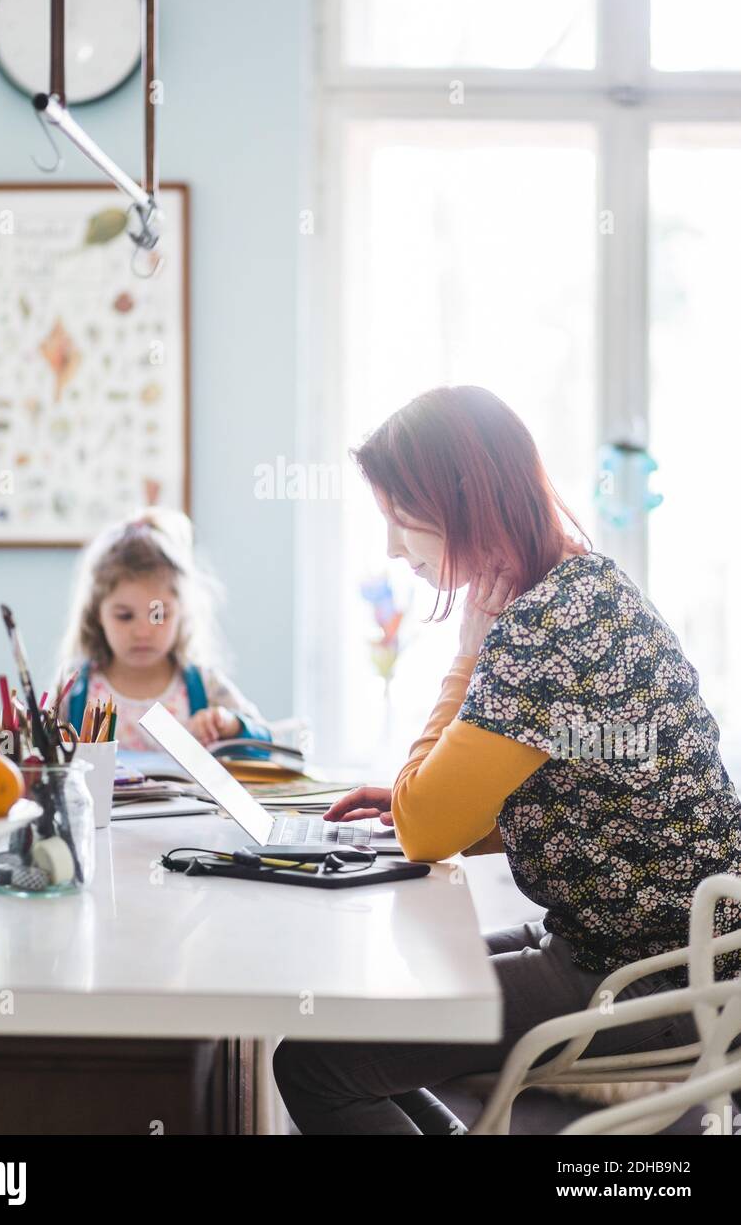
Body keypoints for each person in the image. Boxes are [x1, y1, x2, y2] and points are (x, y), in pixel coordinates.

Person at [273, 385, 741, 1135]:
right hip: (669, 947)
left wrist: (463, 659)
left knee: (317, 1062)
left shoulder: (542, 627)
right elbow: (570, 795)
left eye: (401, 518)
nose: (393, 547)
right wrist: (428, 801)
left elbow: (429, 834)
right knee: (359, 1004)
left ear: (466, 502)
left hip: (648, 973)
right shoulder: (584, 589)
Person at [56, 507, 271, 751]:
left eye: (159, 615)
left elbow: (265, 744)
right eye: (124, 616)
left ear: (182, 612)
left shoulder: (204, 684)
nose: (143, 632)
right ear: (97, 615)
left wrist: (230, 725)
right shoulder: (74, 690)